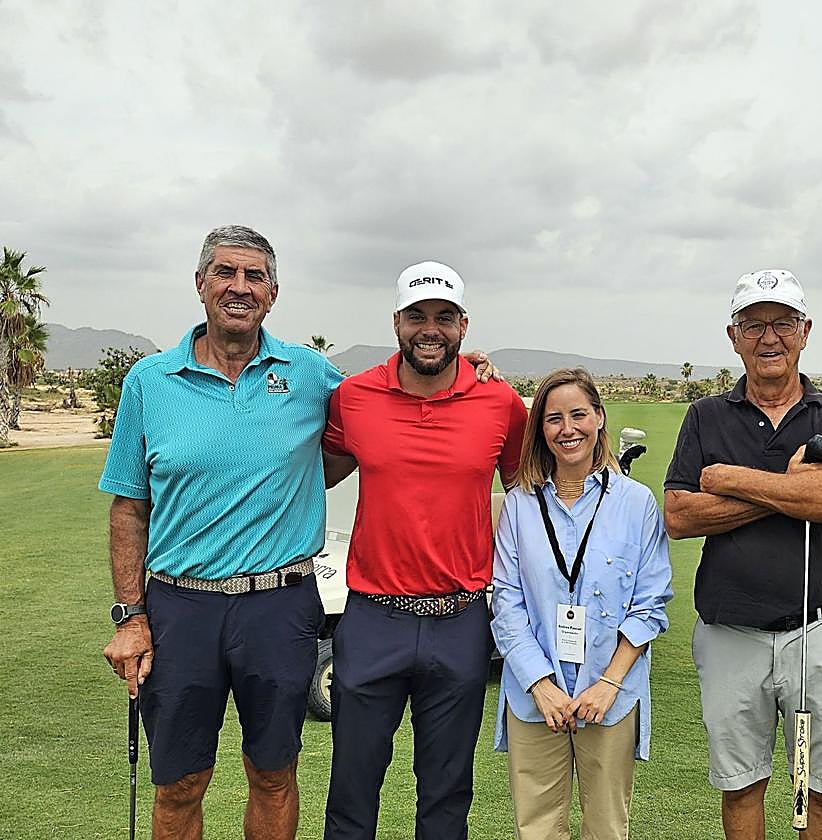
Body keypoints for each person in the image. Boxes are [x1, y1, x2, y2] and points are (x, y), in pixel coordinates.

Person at [100, 225, 343, 840]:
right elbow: (129, 508)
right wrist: (131, 617)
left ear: (274, 292)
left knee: (273, 773)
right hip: (180, 606)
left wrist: (458, 372)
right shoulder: (149, 382)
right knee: (179, 783)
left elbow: (383, 417)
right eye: (226, 273)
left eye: (254, 275)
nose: (240, 287)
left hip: (281, 605)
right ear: (201, 284)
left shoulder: (310, 374)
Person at [321, 260, 529, 840]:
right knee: (352, 789)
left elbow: (526, 495)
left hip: (460, 619)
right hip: (371, 618)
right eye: (417, 316)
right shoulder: (354, 396)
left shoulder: (499, 402)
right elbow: (319, 472)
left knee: (445, 794)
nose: (429, 328)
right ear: (396, 323)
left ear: (463, 325)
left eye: (443, 317)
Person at [663, 269, 822, 840]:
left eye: (782, 323)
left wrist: (733, 480)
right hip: (731, 632)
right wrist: (790, 487)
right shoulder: (706, 416)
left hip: (820, 630)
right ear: (734, 336)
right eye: (754, 324)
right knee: (742, 785)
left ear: (805, 331)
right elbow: (680, 516)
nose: (769, 337)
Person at [490, 367, 673, 840]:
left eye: (578, 415)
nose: (567, 429)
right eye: (553, 419)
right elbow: (506, 601)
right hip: (535, 698)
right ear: (541, 430)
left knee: (607, 828)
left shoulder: (637, 503)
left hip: (610, 695)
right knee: (537, 829)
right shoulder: (519, 505)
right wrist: (541, 684)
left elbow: (650, 604)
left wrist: (609, 682)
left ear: (599, 418)